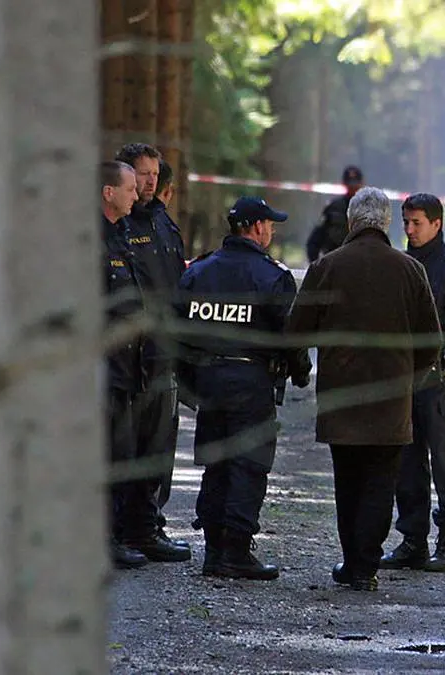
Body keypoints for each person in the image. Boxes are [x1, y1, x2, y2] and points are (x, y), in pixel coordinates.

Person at [287, 187, 441, 592]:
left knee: (348, 480)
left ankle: (353, 561)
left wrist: (305, 363)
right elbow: (431, 340)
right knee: (380, 483)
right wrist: (412, 375)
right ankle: (366, 567)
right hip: (392, 399)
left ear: (353, 221)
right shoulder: (410, 269)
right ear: (387, 223)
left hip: (343, 396)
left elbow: (297, 330)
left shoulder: (327, 267)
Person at [175, 196, 312, 580]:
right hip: (251, 382)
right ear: (254, 227)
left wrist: (188, 382)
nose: (271, 231)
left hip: (210, 382)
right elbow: (292, 336)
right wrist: (301, 372)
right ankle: (235, 550)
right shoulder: (271, 276)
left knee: (216, 462)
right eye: (268, 225)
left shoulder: (200, 272)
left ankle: (214, 550)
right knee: (248, 465)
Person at [380, 193, 445, 573]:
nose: (410, 230)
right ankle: (412, 539)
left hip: (440, 381)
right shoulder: (398, 266)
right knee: (407, 462)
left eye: (417, 223)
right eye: (406, 222)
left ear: (437, 223)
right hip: (405, 379)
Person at [114, 142, 189, 562]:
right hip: (131, 357)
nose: (150, 181)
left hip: (164, 353)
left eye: (155, 174)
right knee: (128, 448)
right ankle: (121, 531)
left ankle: (147, 527)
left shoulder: (162, 221)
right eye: (143, 174)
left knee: (159, 447)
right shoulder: (119, 227)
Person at [99, 160, 149, 570]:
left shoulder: (122, 235)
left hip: (126, 368)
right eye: (130, 188)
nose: (137, 195)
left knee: (121, 454)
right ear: (108, 192)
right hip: (101, 369)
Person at [306, 165, 364, 262]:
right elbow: (314, 241)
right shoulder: (333, 208)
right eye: (350, 184)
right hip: (334, 263)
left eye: (355, 184)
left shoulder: (369, 208)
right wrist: (316, 267)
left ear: (361, 184)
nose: (353, 188)